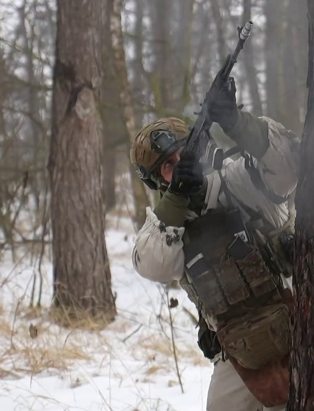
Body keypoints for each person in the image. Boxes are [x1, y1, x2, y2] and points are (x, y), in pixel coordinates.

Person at [129, 76, 300, 411]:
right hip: (240, 352)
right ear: (156, 181)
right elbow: (152, 264)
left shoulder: (238, 182)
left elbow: (288, 165)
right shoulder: (170, 226)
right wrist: (177, 197)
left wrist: (236, 122)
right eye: (168, 166)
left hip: (301, 327)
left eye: (183, 155)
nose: (179, 166)